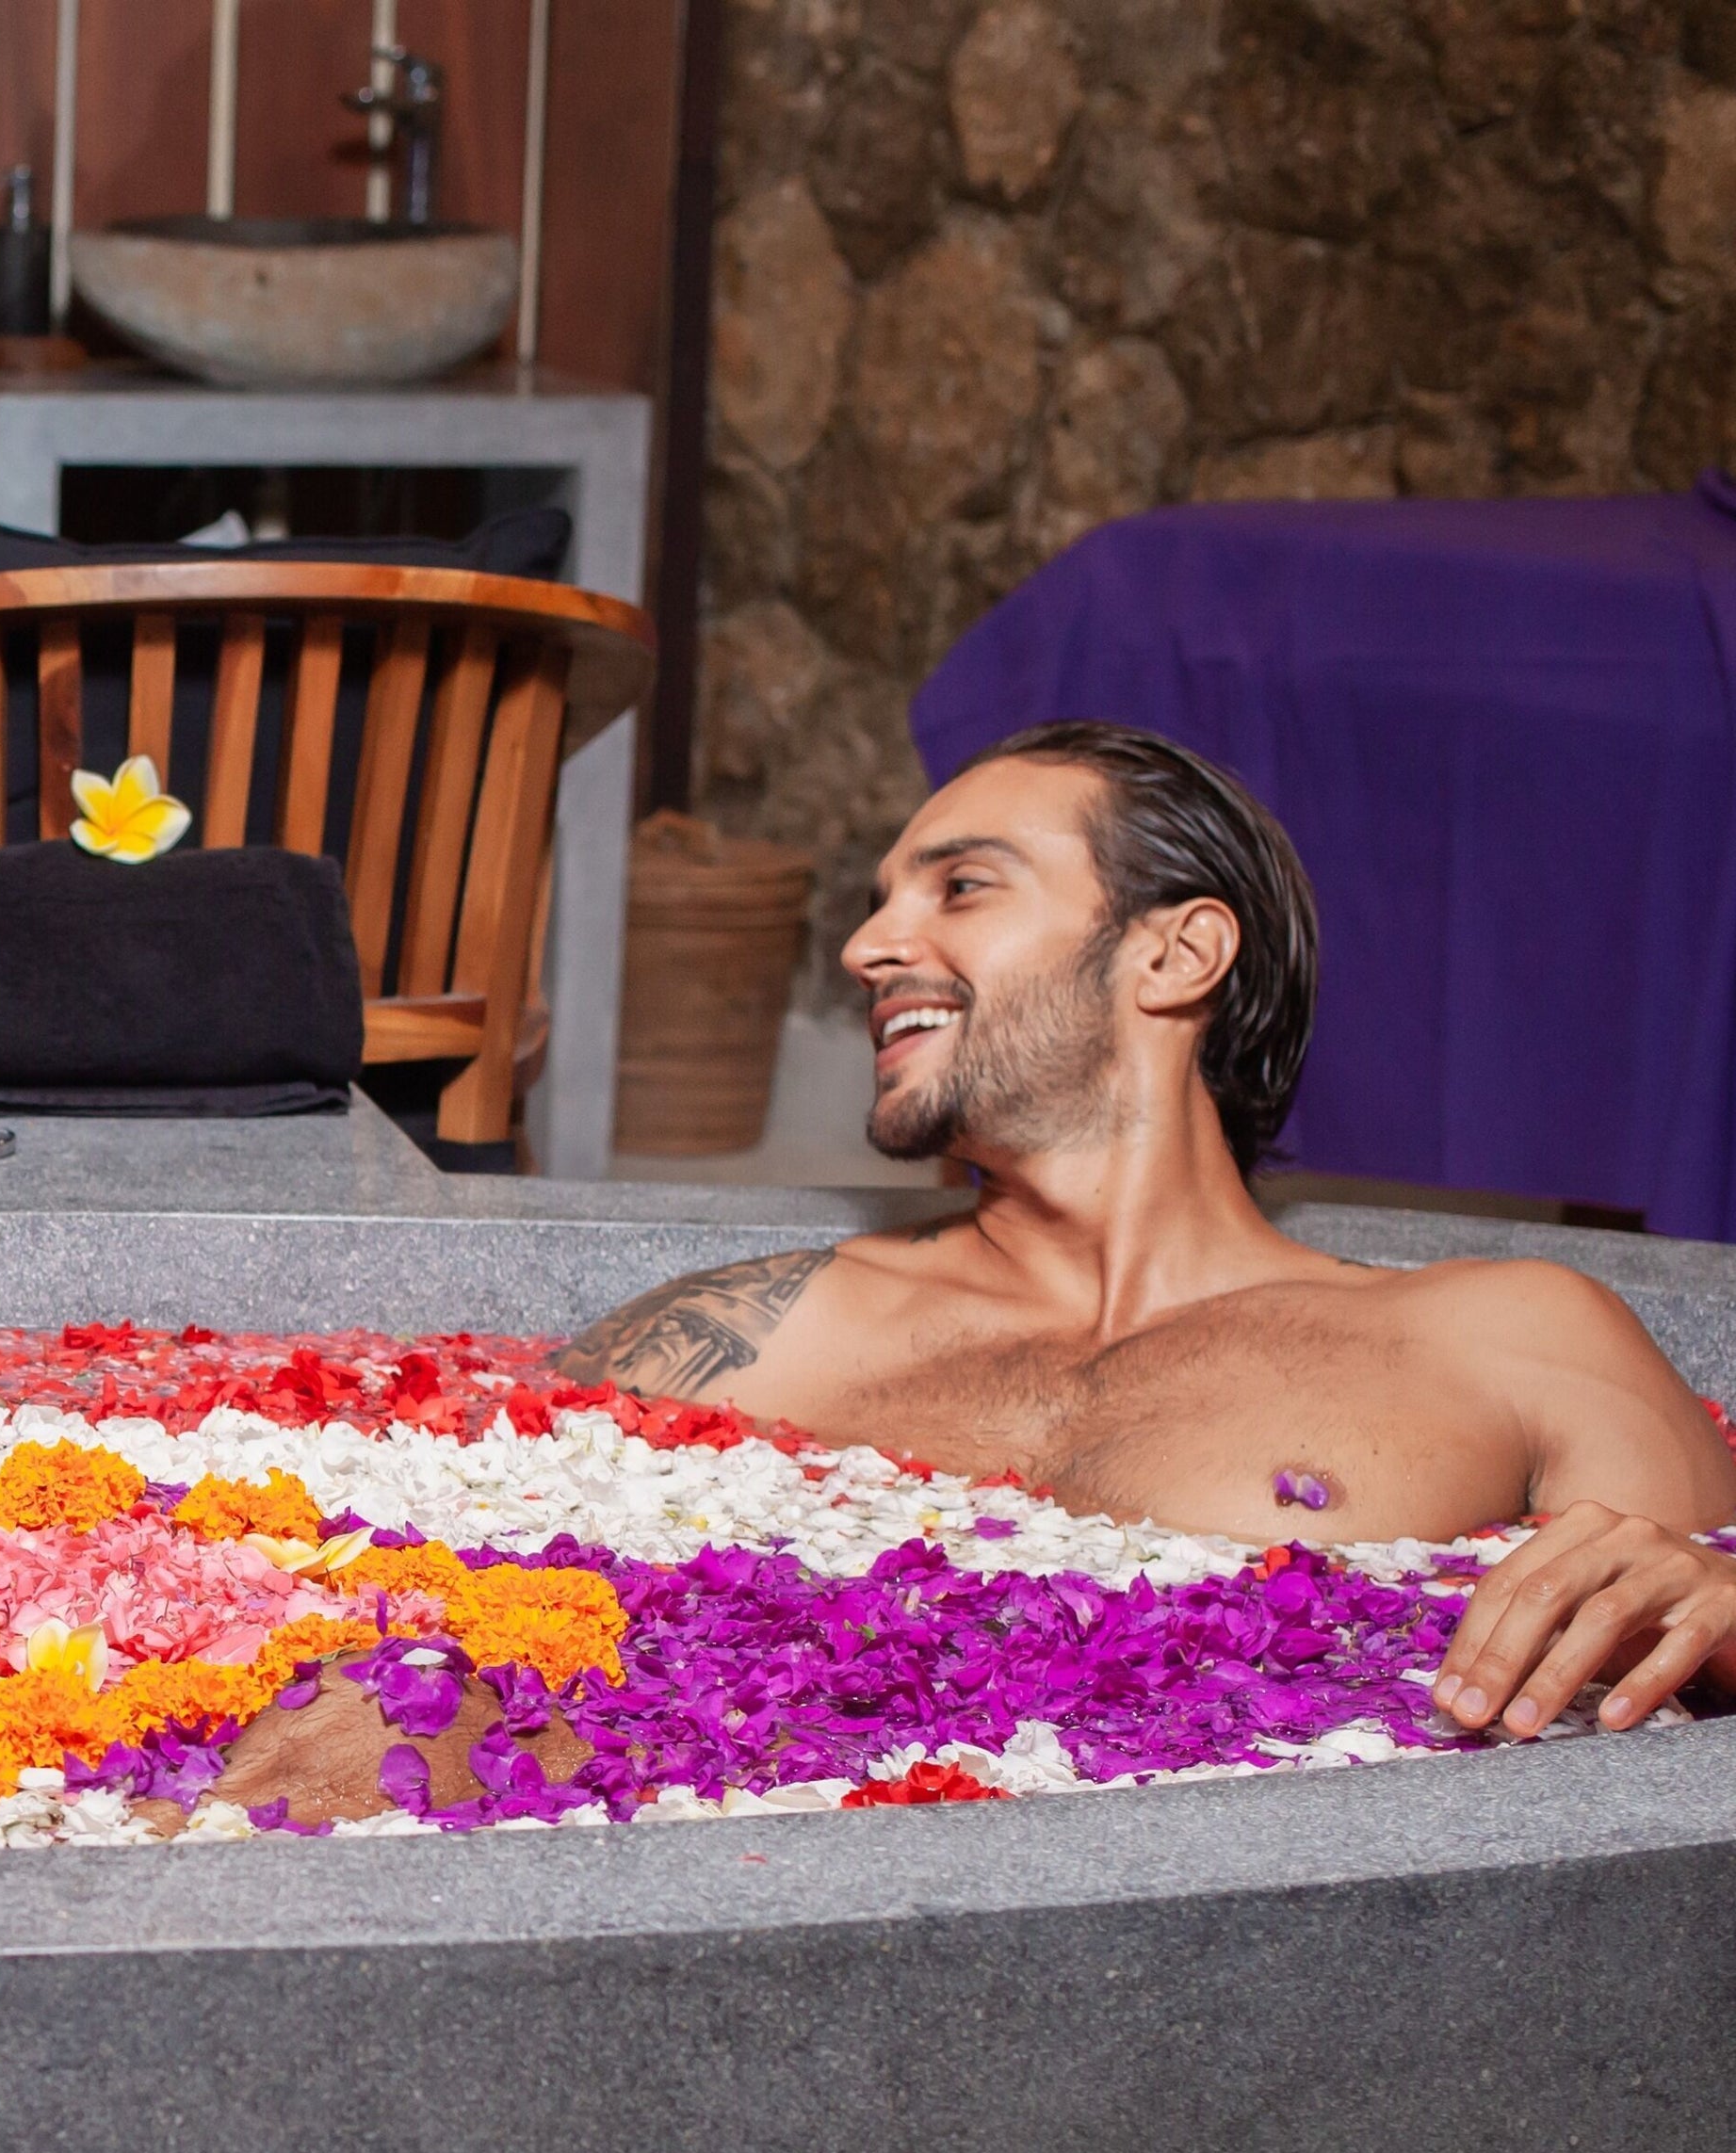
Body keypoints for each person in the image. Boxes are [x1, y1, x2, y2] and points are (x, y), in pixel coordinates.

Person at [552, 720, 1736, 1741]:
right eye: (877, 907)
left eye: (960, 887)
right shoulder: (752, 1336)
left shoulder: (1511, 1338)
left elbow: (1679, 1785)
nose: (866, 950)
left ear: (1176, 954)